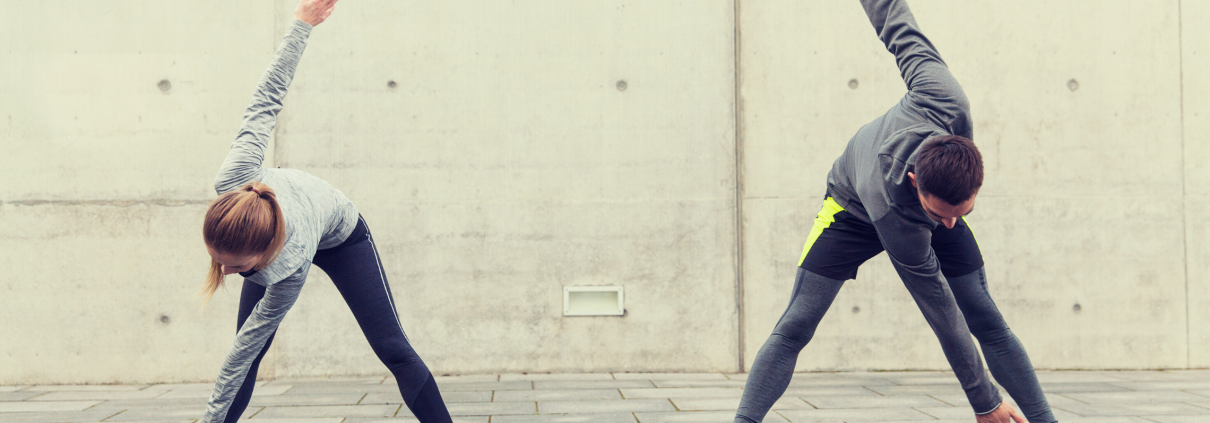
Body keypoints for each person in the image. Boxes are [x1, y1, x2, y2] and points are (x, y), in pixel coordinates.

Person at [734, 1, 1057, 422]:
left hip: (914, 198)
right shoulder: (893, 209)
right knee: (798, 323)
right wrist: (986, 402)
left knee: (986, 316)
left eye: (962, 211)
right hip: (851, 209)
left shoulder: (942, 96)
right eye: (941, 215)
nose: (950, 225)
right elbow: (941, 311)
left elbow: (895, 23)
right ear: (915, 182)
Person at [197, 1, 453, 422]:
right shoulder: (234, 175)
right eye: (218, 260)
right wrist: (300, 25)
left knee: (392, 346)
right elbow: (266, 98)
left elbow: (239, 351)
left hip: (340, 234)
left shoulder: (287, 266)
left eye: (236, 266)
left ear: (263, 257)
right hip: (281, 226)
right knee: (250, 353)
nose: (223, 272)